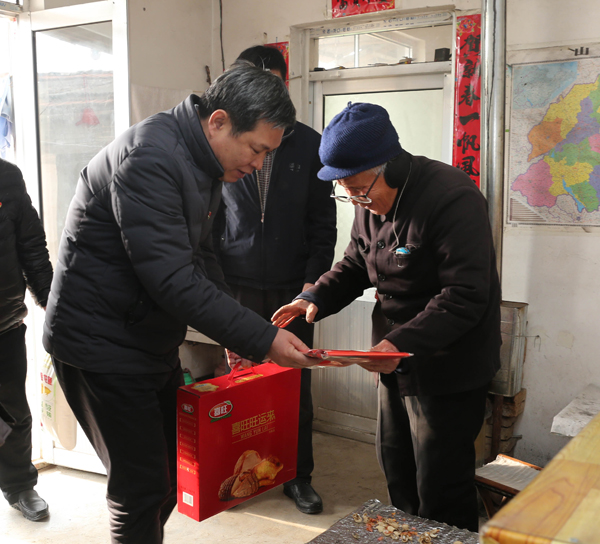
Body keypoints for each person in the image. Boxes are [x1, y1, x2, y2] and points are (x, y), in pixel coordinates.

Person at [43, 63, 318, 543]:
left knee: (171, 474)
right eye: (256, 149)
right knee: (141, 489)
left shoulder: (201, 162)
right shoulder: (151, 158)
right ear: (219, 122)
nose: (258, 164)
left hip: (143, 338)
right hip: (100, 345)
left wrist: (238, 334)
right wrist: (264, 338)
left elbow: (202, 257)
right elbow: (172, 279)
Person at [273, 102, 502, 532]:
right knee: (397, 467)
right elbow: (355, 263)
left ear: (390, 168)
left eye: (360, 191)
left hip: (447, 367)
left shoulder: (452, 198)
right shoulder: (369, 200)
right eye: (347, 192)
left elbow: (466, 295)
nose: (357, 200)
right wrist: (314, 295)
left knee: (441, 485)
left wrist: (398, 344)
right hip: (392, 361)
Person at [212, 45, 336, 515]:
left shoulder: (308, 143)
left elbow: (323, 225)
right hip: (236, 284)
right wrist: (217, 289)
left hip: (292, 290)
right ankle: (235, 476)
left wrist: (311, 288)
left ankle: (297, 476)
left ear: (284, 83)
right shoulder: (222, 143)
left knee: (293, 386)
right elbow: (210, 224)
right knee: (237, 383)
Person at [0, 158, 53, 521]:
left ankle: (19, 485)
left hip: (4, 321)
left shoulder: (7, 176)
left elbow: (31, 245)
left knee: (14, 411)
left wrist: (51, 300)